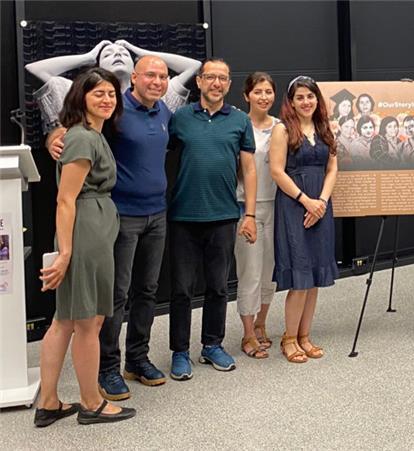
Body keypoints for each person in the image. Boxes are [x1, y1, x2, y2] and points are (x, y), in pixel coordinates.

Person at [45, 56, 174, 401]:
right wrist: (53, 137)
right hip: (119, 218)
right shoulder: (115, 114)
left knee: (147, 291)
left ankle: (138, 359)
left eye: (163, 76)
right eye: (150, 74)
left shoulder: (163, 113)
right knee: (114, 297)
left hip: (156, 214)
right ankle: (107, 368)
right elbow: (73, 135)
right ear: (134, 77)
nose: (157, 81)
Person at [36, 67, 136, 426]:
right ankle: (91, 401)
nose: (107, 99)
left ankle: (48, 401)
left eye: (111, 93)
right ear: (81, 97)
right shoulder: (80, 137)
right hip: (84, 233)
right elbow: (65, 200)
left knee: (65, 319)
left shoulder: (90, 134)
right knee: (88, 321)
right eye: (99, 94)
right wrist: (65, 253)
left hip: (92, 227)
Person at [167, 58, 257, 380]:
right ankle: (179, 351)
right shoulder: (179, 118)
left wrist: (249, 214)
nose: (216, 83)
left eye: (223, 78)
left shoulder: (240, 121)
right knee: (181, 289)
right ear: (200, 82)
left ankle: (211, 345)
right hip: (184, 216)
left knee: (218, 287)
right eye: (211, 77)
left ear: (229, 84)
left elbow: (248, 168)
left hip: (223, 216)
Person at [269, 75, 339, 363]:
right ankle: (288, 338)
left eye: (310, 96)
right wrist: (306, 201)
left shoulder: (325, 129)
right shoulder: (282, 130)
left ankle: (305, 336)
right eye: (300, 97)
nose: (306, 102)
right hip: (294, 206)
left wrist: (321, 202)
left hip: (321, 207)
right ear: (291, 101)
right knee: (299, 277)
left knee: (314, 278)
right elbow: (277, 171)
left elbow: (333, 168)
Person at [26, 39, 200, 132]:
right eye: (109, 54)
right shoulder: (83, 94)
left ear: (134, 73)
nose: (117, 55)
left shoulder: (154, 95)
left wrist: (143, 54)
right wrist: (88, 57)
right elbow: (35, 69)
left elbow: (193, 66)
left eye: (124, 54)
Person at [235, 72, 282, 359]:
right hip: (245, 208)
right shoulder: (238, 125)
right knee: (249, 274)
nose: (264, 97)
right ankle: (248, 333)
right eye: (258, 92)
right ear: (246, 95)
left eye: (268, 92)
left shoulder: (281, 127)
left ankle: (262, 323)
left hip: (276, 206)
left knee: (269, 273)